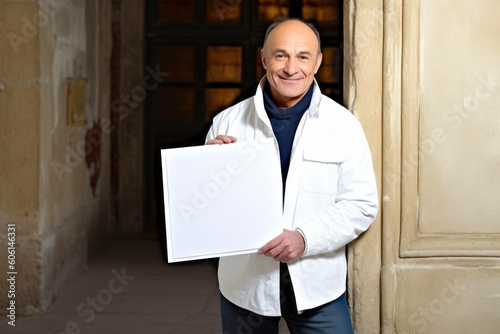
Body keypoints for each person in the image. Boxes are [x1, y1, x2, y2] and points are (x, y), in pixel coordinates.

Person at [206, 18, 378, 334]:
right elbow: (207, 212)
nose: (290, 68)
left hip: (317, 286)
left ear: (318, 62)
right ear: (264, 59)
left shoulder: (344, 126)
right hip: (246, 287)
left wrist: (304, 239)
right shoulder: (226, 124)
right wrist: (209, 170)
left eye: (303, 56)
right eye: (280, 55)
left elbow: (361, 204)